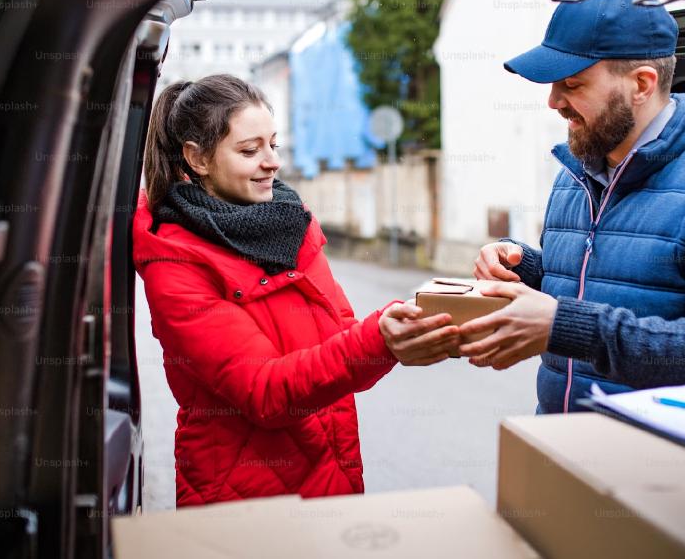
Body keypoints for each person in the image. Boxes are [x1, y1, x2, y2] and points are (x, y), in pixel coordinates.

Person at [460, 0, 685, 414]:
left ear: (641, 84)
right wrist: (525, 269)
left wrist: (565, 326)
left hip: (660, 466)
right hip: (558, 446)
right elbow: (607, 286)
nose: (553, 101)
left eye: (572, 84)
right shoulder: (576, 175)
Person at [132, 74, 459, 506]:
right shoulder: (175, 261)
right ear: (198, 158)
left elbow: (343, 338)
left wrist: (402, 331)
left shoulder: (290, 225)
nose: (271, 162)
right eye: (250, 150)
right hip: (243, 500)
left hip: (331, 476)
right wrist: (379, 339)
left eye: (274, 144)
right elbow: (263, 392)